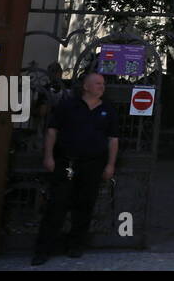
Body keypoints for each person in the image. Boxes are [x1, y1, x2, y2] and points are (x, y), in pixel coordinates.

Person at [32, 72, 119, 265]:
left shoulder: (108, 109)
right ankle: (44, 249)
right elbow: (52, 131)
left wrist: (110, 164)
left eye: (103, 84)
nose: (101, 86)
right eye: (97, 83)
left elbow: (113, 139)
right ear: (86, 86)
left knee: (85, 205)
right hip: (67, 162)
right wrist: (48, 156)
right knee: (57, 204)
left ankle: (75, 244)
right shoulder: (68, 106)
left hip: (93, 164)